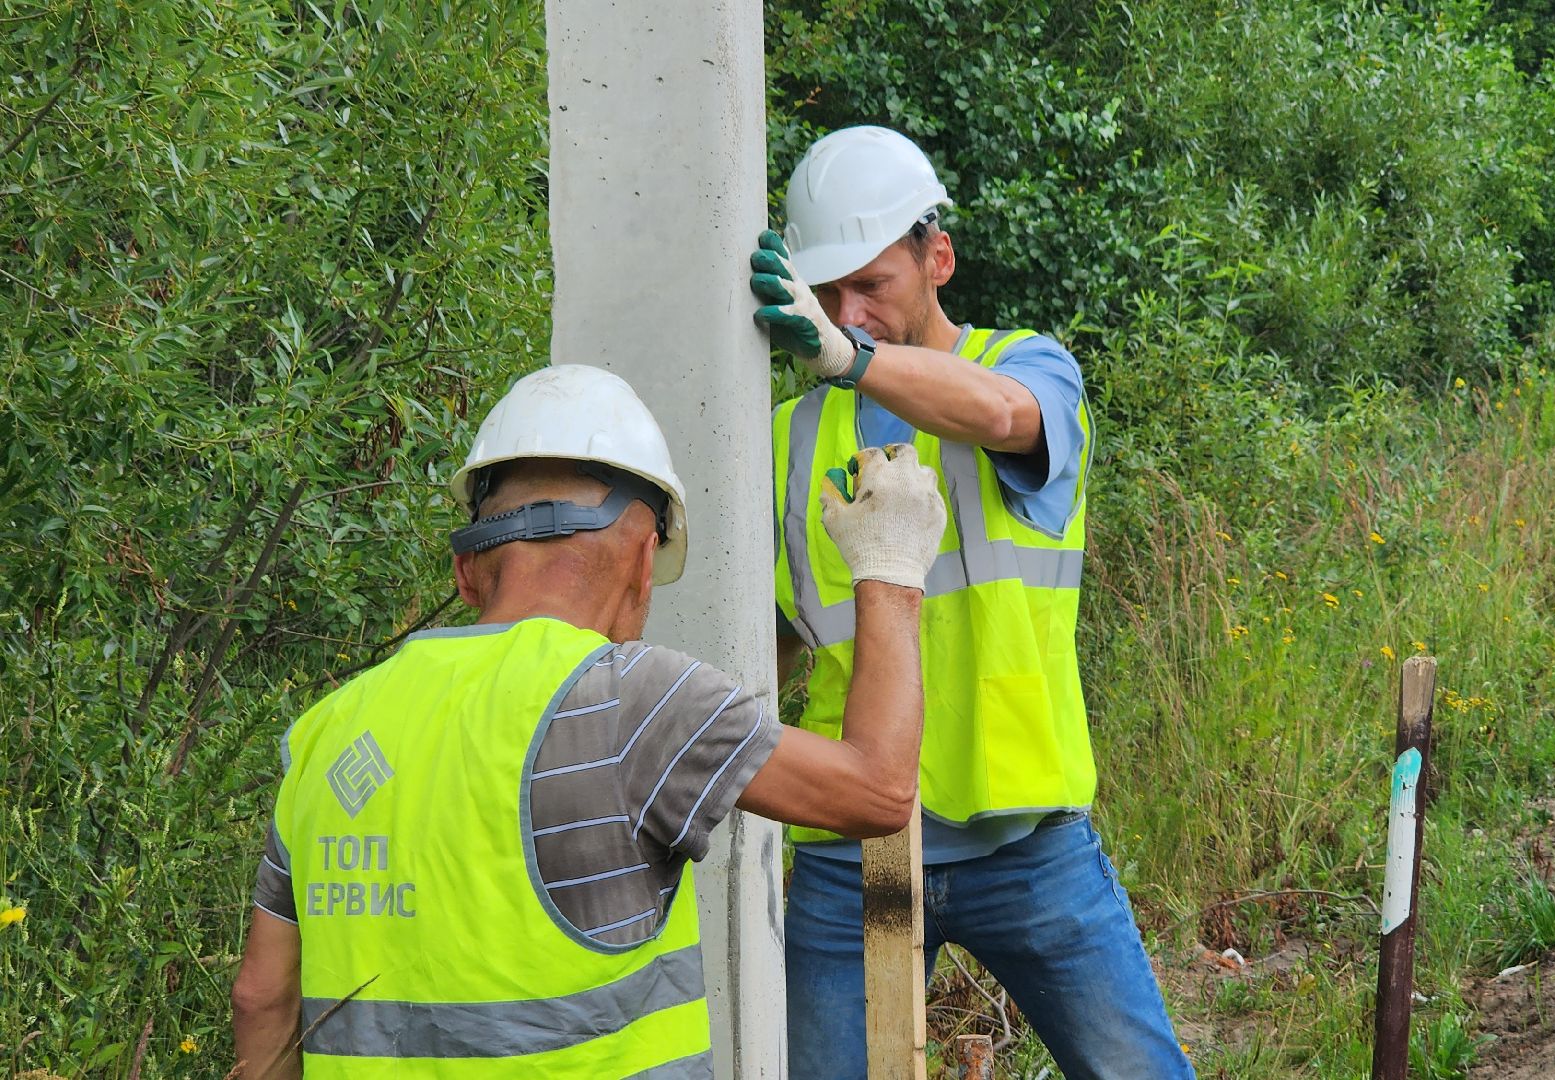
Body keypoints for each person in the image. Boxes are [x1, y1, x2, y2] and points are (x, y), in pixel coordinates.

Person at [228, 363, 946, 1079]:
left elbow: (262, 999)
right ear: (642, 560)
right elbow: (877, 792)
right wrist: (890, 569)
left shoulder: (324, 733)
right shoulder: (631, 700)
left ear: (467, 571)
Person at [751, 125, 1193, 1079]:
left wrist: (847, 357)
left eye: (873, 285)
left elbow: (1000, 417)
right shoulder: (788, 439)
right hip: (847, 847)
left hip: (1026, 844)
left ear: (936, 256)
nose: (849, 311)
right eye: (828, 295)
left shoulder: (1028, 367)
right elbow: (773, 646)